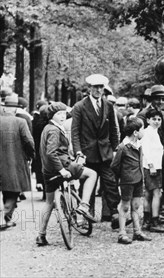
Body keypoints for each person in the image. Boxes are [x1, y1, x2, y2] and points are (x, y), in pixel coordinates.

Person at [37, 102, 98, 246]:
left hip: (47, 171)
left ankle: (41, 235)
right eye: (59, 114)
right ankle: (83, 205)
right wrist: (61, 170)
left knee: (49, 202)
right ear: (52, 116)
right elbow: (51, 153)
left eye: (64, 113)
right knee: (92, 174)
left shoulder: (48, 128)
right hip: (61, 166)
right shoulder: (54, 130)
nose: (63, 116)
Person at [71, 74, 120, 229]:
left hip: (105, 153)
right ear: (90, 88)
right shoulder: (79, 107)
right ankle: (85, 216)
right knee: (87, 185)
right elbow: (75, 132)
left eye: (101, 87)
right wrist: (78, 152)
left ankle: (115, 214)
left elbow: (113, 130)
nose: (98, 90)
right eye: (96, 87)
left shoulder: (108, 106)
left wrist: (115, 149)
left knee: (110, 183)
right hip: (88, 153)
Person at [111, 116, 151, 244]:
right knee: (125, 207)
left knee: (136, 206)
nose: (143, 131)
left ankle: (137, 231)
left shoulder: (139, 145)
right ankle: (121, 233)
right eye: (142, 129)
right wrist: (123, 176)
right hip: (127, 181)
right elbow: (114, 165)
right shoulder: (123, 147)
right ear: (135, 132)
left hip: (138, 180)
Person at [0, 93, 35, 230]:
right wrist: (31, 155)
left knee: (5, 188)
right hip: (16, 160)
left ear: (3, 108)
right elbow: (29, 141)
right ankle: (6, 217)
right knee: (14, 189)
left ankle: (7, 217)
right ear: (15, 109)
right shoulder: (20, 122)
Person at [140, 107, 164, 233]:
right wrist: (151, 165)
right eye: (154, 119)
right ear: (148, 120)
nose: (157, 121)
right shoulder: (148, 133)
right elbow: (146, 150)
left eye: (159, 119)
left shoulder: (154, 132)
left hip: (155, 166)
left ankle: (147, 221)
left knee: (148, 194)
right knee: (156, 194)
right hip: (151, 167)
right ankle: (154, 220)